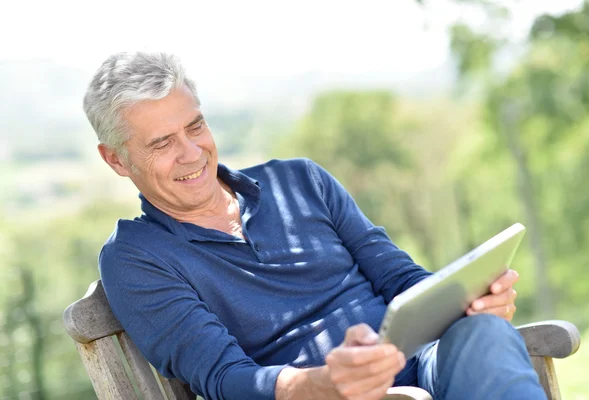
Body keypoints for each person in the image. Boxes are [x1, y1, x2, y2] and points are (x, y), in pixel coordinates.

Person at [83, 52, 546, 400]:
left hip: (419, 364)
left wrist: (467, 303)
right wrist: (322, 383)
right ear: (116, 160)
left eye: (196, 126)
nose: (191, 153)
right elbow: (223, 377)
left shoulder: (300, 181)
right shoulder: (136, 257)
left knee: (485, 333)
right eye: (162, 143)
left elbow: (400, 279)